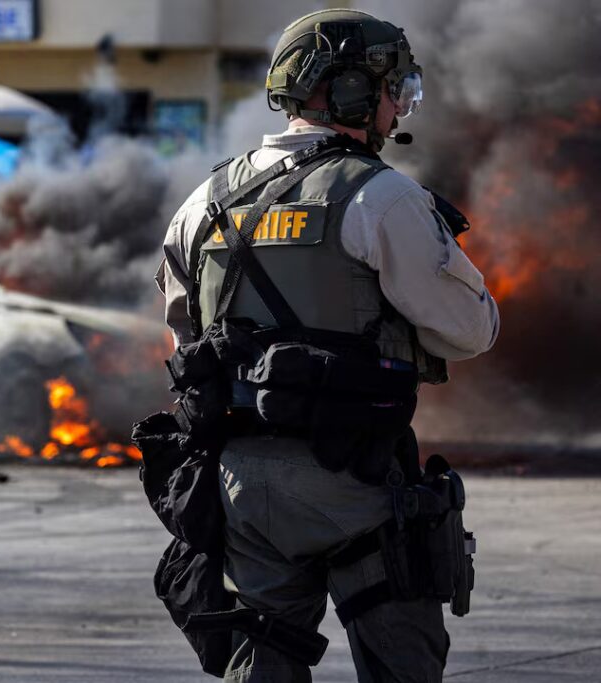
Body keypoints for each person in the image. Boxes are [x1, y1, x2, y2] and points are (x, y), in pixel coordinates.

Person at [156, 9, 499, 682]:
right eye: (392, 88)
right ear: (349, 91)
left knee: (262, 658)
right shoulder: (382, 197)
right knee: (402, 662)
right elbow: (471, 329)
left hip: (240, 483)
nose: (397, 105)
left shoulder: (202, 203)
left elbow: (187, 338)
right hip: (353, 481)